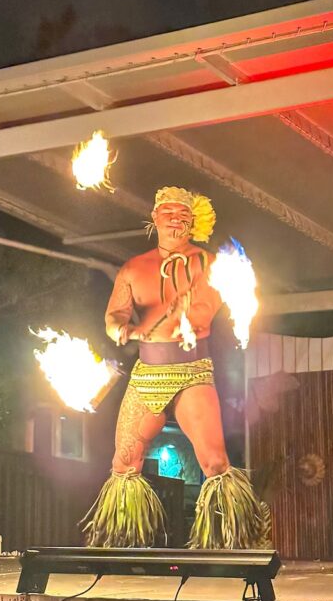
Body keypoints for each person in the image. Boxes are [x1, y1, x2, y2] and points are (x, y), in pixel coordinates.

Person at [83, 186, 269, 550]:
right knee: (124, 462)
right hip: (147, 374)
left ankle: (231, 542)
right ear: (153, 218)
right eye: (168, 212)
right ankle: (121, 543)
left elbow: (219, 305)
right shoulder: (134, 269)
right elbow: (115, 313)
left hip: (192, 372)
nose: (176, 219)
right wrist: (120, 328)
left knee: (215, 462)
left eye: (183, 215)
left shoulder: (212, 266)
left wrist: (196, 305)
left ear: (193, 222)